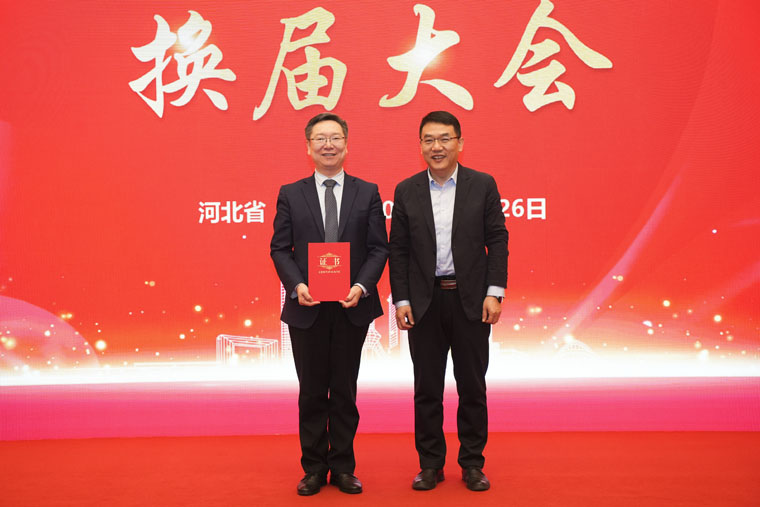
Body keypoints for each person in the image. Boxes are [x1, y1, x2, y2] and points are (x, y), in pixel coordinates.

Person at [389, 110, 508, 492]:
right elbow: (399, 250)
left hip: (470, 301)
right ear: (420, 145)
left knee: (472, 387)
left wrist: (494, 292)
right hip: (424, 303)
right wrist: (401, 300)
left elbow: (497, 240)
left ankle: (472, 463)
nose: (436, 147)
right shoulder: (406, 190)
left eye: (444, 139)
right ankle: (430, 464)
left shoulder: (482, 185)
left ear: (460, 142)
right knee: (426, 389)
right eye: (429, 140)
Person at [270, 112, 389, 496]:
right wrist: (297, 284)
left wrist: (361, 286)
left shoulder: (367, 192)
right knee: (311, 392)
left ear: (346, 145)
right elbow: (280, 248)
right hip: (307, 308)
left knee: (344, 391)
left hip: (351, 307)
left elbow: (378, 248)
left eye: (335, 137)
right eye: (320, 138)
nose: (328, 145)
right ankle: (313, 469)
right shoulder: (291, 193)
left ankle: (343, 467)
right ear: (308, 147)